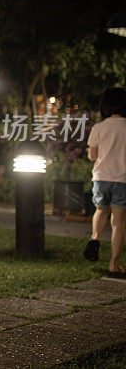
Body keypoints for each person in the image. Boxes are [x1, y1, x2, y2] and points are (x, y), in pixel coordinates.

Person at [83, 87, 126, 278]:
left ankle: (95, 237)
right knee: (118, 223)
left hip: (101, 178)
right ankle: (114, 265)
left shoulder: (99, 127)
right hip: (122, 179)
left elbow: (93, 156)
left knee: (100, 210)